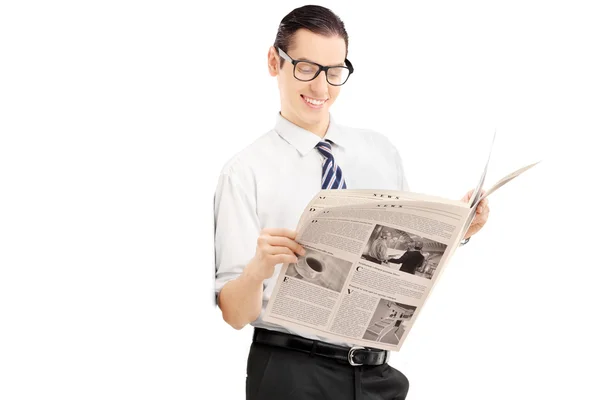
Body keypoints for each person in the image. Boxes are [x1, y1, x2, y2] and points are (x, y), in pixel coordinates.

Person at [213, 5, 490, 400]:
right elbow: (233, 315)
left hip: (377, 374)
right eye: (306, 68)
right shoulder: (244, 172)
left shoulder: (379, 151)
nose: (322, 89)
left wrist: (459, 230)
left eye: (335, 71)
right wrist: (258, 269)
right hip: (292, 374)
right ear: (275, 61)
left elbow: (407, 273)